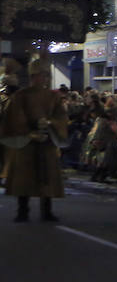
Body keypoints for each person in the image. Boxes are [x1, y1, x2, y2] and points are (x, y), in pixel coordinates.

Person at [1, 57, 69, 221]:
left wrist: (51, 122)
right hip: (27, 142)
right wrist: (28, 132)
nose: (43, 78)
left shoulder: (53, 97)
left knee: (48, 177)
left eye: (46, 75)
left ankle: (47, 211)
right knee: (24, 178)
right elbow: (14, 117)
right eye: (40, 75)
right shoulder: (20, 96)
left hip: (47, 140)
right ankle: (22, 211)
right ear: (33, 77)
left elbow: (61, 116)